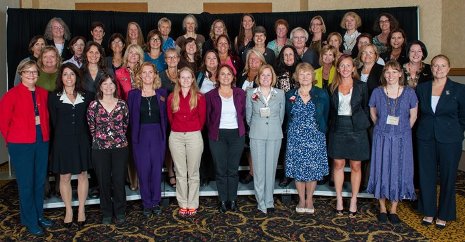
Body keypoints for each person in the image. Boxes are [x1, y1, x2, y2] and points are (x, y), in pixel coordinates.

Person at [0, 60, 53, 236]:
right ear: (21, 73)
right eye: (27, 72)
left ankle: (38, 215)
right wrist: (13, 141)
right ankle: (29, 220)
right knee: (26, 184)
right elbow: (3, 123)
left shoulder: (43, 93)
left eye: (34, 72)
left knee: (39, 181)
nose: (31, 75)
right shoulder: (11, 95)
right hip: (20, 145)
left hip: (41, 141)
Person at [416, 55, 465, 228]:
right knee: (426, 175)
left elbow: (463, 117)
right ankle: (428, 211)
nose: (439, 69)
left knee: (448, 176)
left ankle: (444, 213)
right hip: (425, 138)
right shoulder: (422, 88)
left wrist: (458, 133)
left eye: (442, 66)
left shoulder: (459, 89)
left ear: (449, 68)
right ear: (431, 68)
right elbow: (418, 113)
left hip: (450, 139)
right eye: (435, 66)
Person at [367, 60, 417, 224]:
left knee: (399, 169)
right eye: (387, 72)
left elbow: (413, 116)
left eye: (394, 71)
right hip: (381, 137)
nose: (391, 75)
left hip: (402, 138)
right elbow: (373, 114)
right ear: (384, 75)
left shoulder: (409, 93)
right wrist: (383, 129)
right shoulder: (377, 92)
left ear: (400, 74)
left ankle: (394, 209)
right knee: (381, 169)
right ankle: (382, 207)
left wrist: (401, 131)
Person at [49, 63, 93, 228]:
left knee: (83, 174)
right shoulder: (54, 97)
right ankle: (68, 210)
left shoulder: (88, 96)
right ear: (61, 77)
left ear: (77, 77)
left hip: (82, 140)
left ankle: (81, 209)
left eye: (72, 74)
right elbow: (53, 121)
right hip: (62, 141)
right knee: (65, 177)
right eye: (65, 74)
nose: (69, 77)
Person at [328, 55, 370, 218]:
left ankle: (353, 199)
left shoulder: (362, 86)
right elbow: (331, 110)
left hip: (357, 128)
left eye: (348, 66)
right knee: (338, 164)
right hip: (338, 127)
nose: (345, 69)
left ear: (354, 68)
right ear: (337, 68)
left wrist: (363, 122)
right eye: (342, 66)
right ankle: (339, 199)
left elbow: (367, 107)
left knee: (356, 165)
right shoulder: (332, 86)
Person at [285, 62, 329, 214]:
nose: (304, 77)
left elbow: (326, 115)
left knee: (312, 169)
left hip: (315, 136)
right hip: (296, 137)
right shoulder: (290, 94)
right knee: (298, 169)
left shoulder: (321, 93)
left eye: (308, 74)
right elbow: (286, 116)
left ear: (313, 76)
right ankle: (301, 199)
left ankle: (309, 199)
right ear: (296, 77)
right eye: (301, 74)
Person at [87, 74, 129, 225]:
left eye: (111, 84)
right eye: (105, 84)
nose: (108, 86)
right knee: (103, 181)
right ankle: (106, 212)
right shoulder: (93, 106)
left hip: (120, 148)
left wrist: (115, 139)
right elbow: (92, 128)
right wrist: (102, 140)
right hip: (100, 148)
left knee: (118, 180)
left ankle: (120, 211)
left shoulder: (122, 105)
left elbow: (125, 125)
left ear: (115, 86)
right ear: (100, 86)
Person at [127, 62, 168, 217]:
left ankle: (156, 201)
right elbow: (129, 118)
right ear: (139, 75)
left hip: (158, 134)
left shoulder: (162, 93)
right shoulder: (133, 95)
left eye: (150, 72)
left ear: (155, 75)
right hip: (140, 135)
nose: (147, 75)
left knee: (156, 169)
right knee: (143, 169)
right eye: (144, 72)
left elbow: (165, 117)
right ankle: (146, 203)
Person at [205, 64, 246, 213]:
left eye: (228, 74)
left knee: (233, 169)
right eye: (222, 74)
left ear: (233, 77)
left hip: (236, 135)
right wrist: (214, 131)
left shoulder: (240, 93)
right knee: (221, 169)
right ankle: (223, 200)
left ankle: (233, 200)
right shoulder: (210, 95)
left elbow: (244, 114)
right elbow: (208, 118)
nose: (226, 76)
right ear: (217, 77)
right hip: (218, 135)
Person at [246, 64, 285, 214]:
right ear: (258, 77)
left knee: (271, 168)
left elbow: (281, 117)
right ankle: (260, 201)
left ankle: (269, 200)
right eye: (263, 75)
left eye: (268, 75)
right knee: (259, 170)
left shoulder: (280, 93)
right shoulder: (251, 93)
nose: (265, 78)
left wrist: (272, 127)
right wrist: (259, 126)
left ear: (273, 77)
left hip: (275, 134)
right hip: (257, 134)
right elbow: (248, 117)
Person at [167, 67, 206, 216]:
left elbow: (202, 119)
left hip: (194, 135)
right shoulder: (172, 97)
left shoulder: (199, 97)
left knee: (193, 172)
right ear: (178, 79)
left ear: (192, 79)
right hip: (176, 136)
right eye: (182, 77)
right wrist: (180, 128)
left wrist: (191, 129)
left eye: (188, 77)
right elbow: (170, 118)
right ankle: (183, 203)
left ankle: (193, 203)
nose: (185, 80)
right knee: (181, 172)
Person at [159, 48, 179, 188]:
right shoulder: (160, 76)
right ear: (165, 60)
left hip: (182, 116)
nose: (172, 60)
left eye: (174, 57)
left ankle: (180, 172)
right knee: (168, 145)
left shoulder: (184, 74)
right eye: (169, 58)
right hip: (166, 115)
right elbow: (157, 95)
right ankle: (171, 171)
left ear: (178, 59)